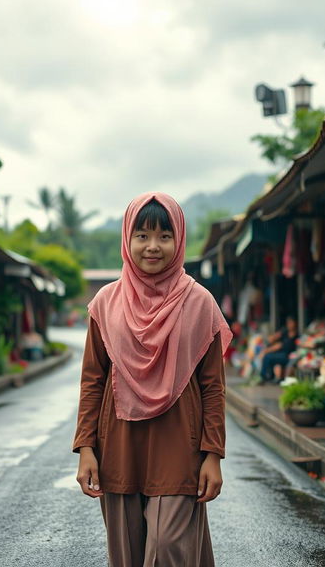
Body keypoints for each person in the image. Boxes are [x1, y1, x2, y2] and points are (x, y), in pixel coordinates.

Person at [73, 192, 232, 567]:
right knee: (126, 553)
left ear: (179, 241)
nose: (153, 246)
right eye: (142, 235)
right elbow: (92, 380)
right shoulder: (106, 303)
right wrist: (85, 448)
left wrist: (213, 454)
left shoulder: (199, 302)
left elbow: (213, 387)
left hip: (179, 442)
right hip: (119, 442)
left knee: (167, 547)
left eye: (164, 235)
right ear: (127, 240)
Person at [257, 316, 298, 383]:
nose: (289, 325)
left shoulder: (296, 335)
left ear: (295, 323)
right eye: (288, 323)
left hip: (288, 355)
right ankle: (269, 376)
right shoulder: (285, 332)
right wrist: (275, 336)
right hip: (281, 354)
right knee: (268, 356)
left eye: (291, 323)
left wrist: (266, 351)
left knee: (268, 357)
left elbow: (279, 346)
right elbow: (271, 339)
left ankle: (264, 377)